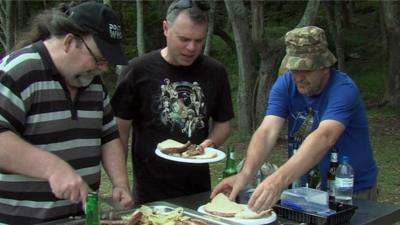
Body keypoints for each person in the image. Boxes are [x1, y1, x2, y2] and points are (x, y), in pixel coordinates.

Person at [211, 26, 378, 212]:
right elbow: (267, 132)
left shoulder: (343, 89)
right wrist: (245, 174)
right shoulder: (285, 84)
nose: (298, 77)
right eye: (294, 68)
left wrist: (278, 180)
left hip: (349, 191)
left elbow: (325, 136)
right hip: (306, 191)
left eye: (306, 69)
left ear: (325, 67)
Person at [0, 2, 133, 224]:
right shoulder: (17, 70)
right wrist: (52, 168)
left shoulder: (93, 84)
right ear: (70, 42)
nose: (103, 68)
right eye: (99, 59)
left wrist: (120, 183)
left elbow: (108, 136)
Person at [111, 0, 234, 204]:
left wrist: (210, 143)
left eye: (199, 40)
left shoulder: (215, 71)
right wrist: (120, 183)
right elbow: (120, 131)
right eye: (184, 39)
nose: (191, 48)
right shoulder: (137, 69)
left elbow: (223, 125)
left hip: (199, 190)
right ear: (166, 29)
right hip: (149, 190)